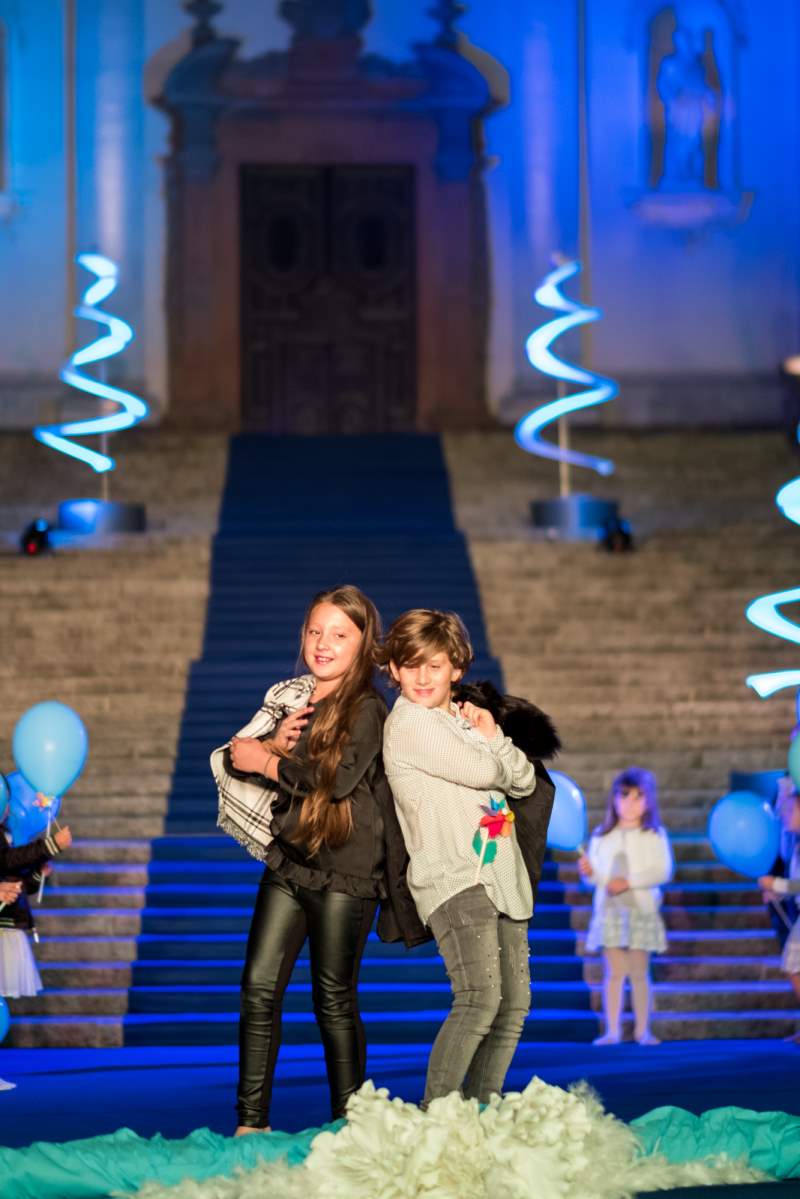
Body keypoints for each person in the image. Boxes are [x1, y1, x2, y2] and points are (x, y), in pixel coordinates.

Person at [210, 585, 426, 1135]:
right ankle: (251, 1122)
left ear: (363, 644)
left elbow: (334, 782)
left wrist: (268, 761)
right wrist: (271, 745)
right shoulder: (295, 701)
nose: (323, 644)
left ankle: (351, 1126)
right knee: (258, 988)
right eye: (314, 631)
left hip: (345, 873)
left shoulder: (369, 708)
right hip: (290, 861)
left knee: (333, 999)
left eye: (338, 634)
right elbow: (238, 761)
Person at [381, 608, 542, 1106]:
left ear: (456, 667)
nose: (422, 677)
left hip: (502, 875)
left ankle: (479, 1109)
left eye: (434, 665)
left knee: (513, 1005)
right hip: (455, 877)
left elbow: (526, 781)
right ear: (394, 670)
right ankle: (439, 1115)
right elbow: (485, 773)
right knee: (479, 998)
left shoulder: (463, 720)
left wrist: (492, 736)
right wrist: (490, 746)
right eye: (411, 666)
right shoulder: (409, 722)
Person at [578, 768, 673, 1046]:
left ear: (648, 801)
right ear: (614, 799)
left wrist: (629, 882)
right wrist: (588, 873)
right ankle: (612, 1031)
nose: (631, 803)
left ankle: (643, 1030)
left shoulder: (654, 834)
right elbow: (597, 879)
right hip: (610, 913)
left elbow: (662, 871)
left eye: (638, 797)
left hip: (641, 912)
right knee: (615, 972)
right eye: (625, 796)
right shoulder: (602, 836)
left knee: (639, 972)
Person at [0, 804, 72, 1090]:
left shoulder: (8, 832)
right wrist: (50, 845)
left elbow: (15, 877)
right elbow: (7, 861)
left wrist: (37, 875)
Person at [758, 787, 800, 1044]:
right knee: (793, 966)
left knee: (793, 965)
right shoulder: (795, 847)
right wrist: (779, 894)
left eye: (791, 809)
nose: (785, 814)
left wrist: (776, 884)